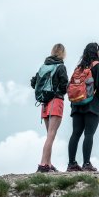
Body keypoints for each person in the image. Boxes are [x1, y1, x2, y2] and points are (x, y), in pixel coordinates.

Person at [67, 42, 99, 172]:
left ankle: (71, 164)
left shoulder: (79, 68)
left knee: (75, 133)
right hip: (92, 104)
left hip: (77, 104)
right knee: (89, 134)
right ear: (96, 52)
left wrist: (73, 103)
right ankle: (86, 164)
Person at [31, 43, 68, 173]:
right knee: (52, 134)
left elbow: (33, 82)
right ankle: (43, 165)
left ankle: (48, 163)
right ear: (63, 53)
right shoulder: (61, 66)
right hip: (56, 101)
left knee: (49, 135)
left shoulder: (43, 66)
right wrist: (61, 91)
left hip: (44, 103)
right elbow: (64, 85)